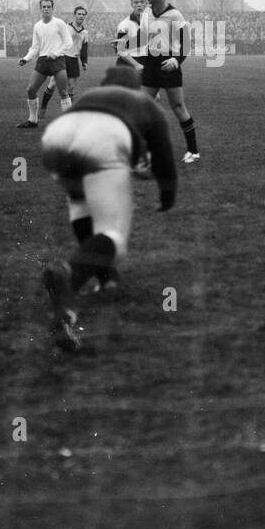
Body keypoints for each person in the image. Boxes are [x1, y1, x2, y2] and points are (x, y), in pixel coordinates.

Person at [39, 65, 177, 351]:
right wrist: (167, 193)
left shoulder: (90, 96)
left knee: (82, 205)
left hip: (56, 138)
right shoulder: (142, 102)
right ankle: (70, 274)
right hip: (101, 142)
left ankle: (94, 284)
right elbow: (162, 155)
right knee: (113, 234)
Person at [139, 0, 201, 163]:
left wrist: (176, 60)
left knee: (178, 107)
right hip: (150, 63)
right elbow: (142, 40)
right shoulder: (146, 13)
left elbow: (187, 44)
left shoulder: (175, 15)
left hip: (168, 64)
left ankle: (193, 151)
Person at [16, 0, 72, 129]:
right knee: (30, 90)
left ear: (52, 8)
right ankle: (33, 120)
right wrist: (26, 58)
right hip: (42, 60)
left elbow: (68, 42)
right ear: (40, 8)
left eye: (49, 7)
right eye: (44, 7)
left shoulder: (59, 23)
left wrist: (56, 53)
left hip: (57, 60)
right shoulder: (37, 26)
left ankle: (68, 124)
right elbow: (35, 46)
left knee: (63, 92)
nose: (46, 9)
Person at [40, 5, 89, 118]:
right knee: (52, 84)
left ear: (85, 16)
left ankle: (69, 113)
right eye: (79, 14)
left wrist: (84, 62)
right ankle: (43, 107)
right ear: (75, 15)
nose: (81, 16)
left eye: (83, 14)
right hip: (62, 58)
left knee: (71, 87)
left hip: (74, 61)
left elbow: (84, 48)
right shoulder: (66, 27)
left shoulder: (85, 33)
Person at [112, 0, 147, 70]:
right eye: (136, 2)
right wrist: (136, 65)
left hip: (145, 62)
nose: (139, 4)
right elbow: (121, 50)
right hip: (127, 64)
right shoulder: (124, 25)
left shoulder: (152, 23)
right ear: (131, 4)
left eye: (142, 2)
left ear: (146, 3)